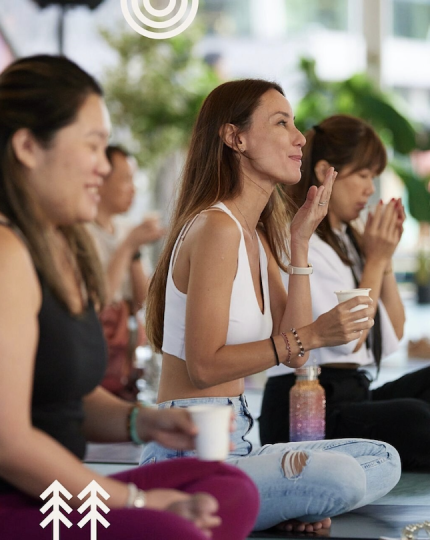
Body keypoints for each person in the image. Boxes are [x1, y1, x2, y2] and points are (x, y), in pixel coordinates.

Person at [0, 55, 259, 540]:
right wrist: (136, 501)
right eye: (93, 146)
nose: (104, 166)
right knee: (173, 528)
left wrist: (147, 424)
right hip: (17, 499)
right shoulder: (5, 253)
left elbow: (66, 400)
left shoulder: (60, 244)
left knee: (229, 487)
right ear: (28, 147)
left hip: (57, 495)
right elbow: (9, 443)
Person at [141, 80, 401, 533]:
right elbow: (204, 367)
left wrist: (299, 246)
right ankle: (255, 502)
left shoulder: (256, 236)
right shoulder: (215, 228)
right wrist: (316, 334)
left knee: (383, 458)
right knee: (339, 476)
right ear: (234, 138)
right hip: (190, 451)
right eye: (282, 123)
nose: (299, 137)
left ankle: (273, 502)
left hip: (237, 441)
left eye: (294, 124)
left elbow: (297, 357)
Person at [259, 114, 430, 469]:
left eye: (373, 178)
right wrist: (374, 262)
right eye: (362, 175)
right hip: (307, 403)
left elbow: (392, 339)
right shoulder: (300, 241)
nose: (369, 189)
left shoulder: (347, 240)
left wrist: (383, 259)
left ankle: (425, 440)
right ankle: (427, 439)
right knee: (420, 422)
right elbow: (350, 340)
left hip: (356, 392)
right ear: (325, 171)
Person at [88, 145, 164, 401]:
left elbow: (142, 300)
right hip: (95, 350)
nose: (133, 189)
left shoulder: (125, 228)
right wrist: (130, 244)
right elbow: (100, 299)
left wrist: (135, 247)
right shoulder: (82, 232)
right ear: (101, 179)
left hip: (124, 355)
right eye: (125, 179)